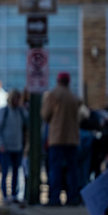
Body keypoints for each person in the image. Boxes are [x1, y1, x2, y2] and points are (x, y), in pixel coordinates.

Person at [41, 71, 85, 206]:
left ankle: (55, 197)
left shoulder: (53, 95)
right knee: (72, 170)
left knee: (55, 169)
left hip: (57, 138)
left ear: (58, 81)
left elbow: (45, 115)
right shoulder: (74, 97)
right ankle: (73, 197)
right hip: (72, 138)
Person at [0, 89, 28, 204]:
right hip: (5, 146)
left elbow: (27, 124)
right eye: (16, 99)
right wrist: (0, 143)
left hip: (17, 146)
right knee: (5, 172)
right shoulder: (4, 111)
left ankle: (14, 194)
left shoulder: (21, 112)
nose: (18, 101)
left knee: (16, 172)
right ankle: (5, 195)